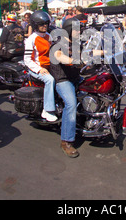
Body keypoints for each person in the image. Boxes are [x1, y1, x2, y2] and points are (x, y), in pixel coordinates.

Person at [50, 17, 82, 157]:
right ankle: (66, 141)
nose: (79, 32)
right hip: (63, 79)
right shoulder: (59, 42)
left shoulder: (76, 43)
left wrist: (107, 53)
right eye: (76, 29)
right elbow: (59, 56)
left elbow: (88, 53)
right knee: (71, 104)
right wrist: (72, 60)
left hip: (75, 77)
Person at [24, 10, 57, 122]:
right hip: (37, 68)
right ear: (35, 25)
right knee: (50, 80)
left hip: (50, 66)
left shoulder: (49, 36)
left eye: (46, 23)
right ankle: (47, 110)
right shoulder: (31, 39)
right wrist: (39, 69)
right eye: (41, 24)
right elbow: (27, 60)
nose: (44, 26)